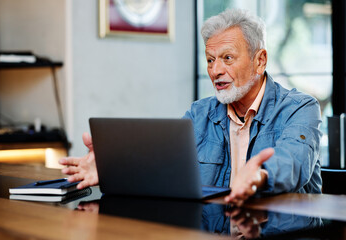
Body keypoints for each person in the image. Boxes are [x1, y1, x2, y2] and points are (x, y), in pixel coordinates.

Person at [59, 9, 322, 206]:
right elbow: (163, 166)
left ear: (260, 60)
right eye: (210, 60)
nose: (216, 70)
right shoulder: (199, 113)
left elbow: (293, 163)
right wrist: (109, 170)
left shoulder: (300, 108)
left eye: (227, 58)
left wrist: (259, 177)